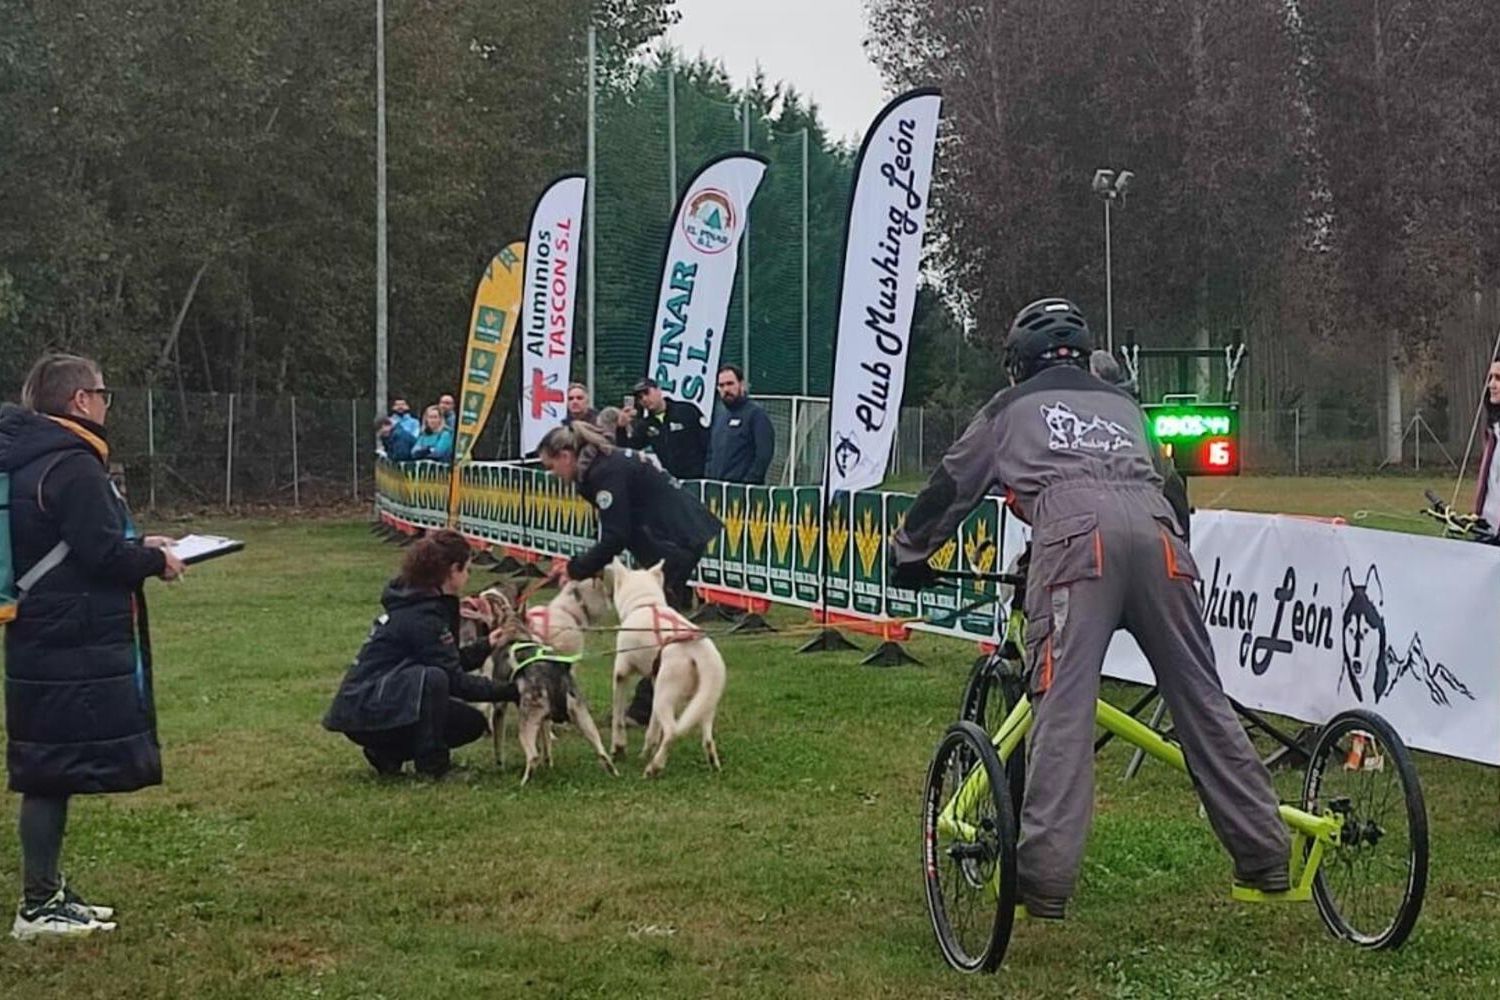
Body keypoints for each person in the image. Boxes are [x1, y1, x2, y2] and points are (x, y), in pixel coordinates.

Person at [890, 298, 1289, 920]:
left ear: (1018, 363)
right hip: (1162, 542)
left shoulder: (1009, 408)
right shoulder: (1125, 407)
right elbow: (1171, 490)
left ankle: (1043, 879)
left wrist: (910, 551)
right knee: (1203, 703)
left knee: (1066, 705)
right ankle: (1265, 854)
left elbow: (952, 484)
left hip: (1078, 544)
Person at [0, 353, 186, 940]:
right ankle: (37, 906)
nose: (107, 403)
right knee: (48, 770)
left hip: (42, 632)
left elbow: (76, 539)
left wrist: (135, 540)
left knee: (46, 763)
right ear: (80, 401)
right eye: (103, 393)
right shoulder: (74, 465)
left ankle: (48, 891)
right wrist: (155, 559)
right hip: (66, 638)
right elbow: (101, 556)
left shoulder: (33, 461)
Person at [537, 422, 721, 723]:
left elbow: (616, 535)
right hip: (667, 536)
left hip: (675, 540)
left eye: (551, 465)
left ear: (566, 455)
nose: (553, 474)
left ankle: (648, 705)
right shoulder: (599, 467)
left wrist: (578, 567)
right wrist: (588, 563)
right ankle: (660, 696)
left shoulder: (604, 473)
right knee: (662, 623)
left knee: (659, 623)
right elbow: (619, 527)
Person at [323, 530, 518, 777]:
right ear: (452, 570)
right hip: (366, 708)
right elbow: (453, 679)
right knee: (434, 679)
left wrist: (487, 644)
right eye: (467, 569)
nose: (469, 576)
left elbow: (447, 659)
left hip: (369, 703)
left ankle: (387, 752)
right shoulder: (422, 615)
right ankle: (432, 766)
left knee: (469, 722)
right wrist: (512, 690)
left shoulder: (421, 602)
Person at [616, 377, 708, 480]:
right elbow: (628, 450)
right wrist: (621, 428)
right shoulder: (646, 425)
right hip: (672, 482)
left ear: (658, 390)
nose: (644, 399)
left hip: (698, 478)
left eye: (647, 393)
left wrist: (708, 473)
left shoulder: (686, 411)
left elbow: (708, 442)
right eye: (640, 398)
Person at [704, 364, 774, 484]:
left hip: (744, 493)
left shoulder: (756, 414)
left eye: (730, 384)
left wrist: (748, 482)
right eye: (721, 385)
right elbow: (711, 453)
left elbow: (763, 454)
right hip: (718, 492)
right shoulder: (719, 416)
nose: (726, 389)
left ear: (741, 384)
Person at [1473, 357, 1500, 534]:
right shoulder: (1493, 433)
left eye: (1498, 378)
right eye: (1490, 377)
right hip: (1488, 531)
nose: (1491, 384)